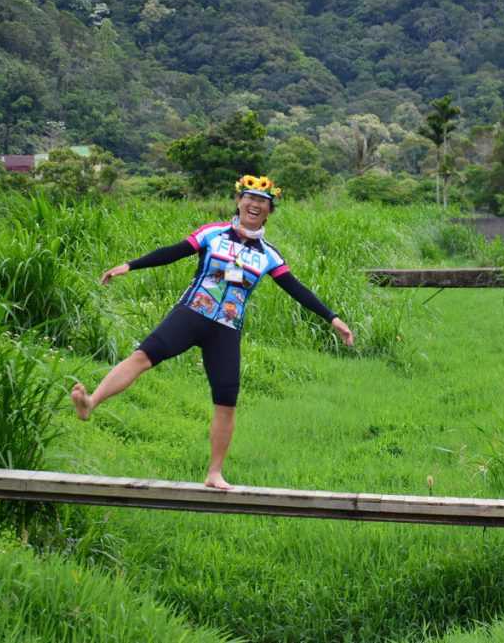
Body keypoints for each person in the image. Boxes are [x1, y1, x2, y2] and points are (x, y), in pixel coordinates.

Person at [70, 175, 354, 489]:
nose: (254, 204)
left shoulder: (269, 255)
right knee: (142, 357)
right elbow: (173, 251)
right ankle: (91, 402)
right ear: (239, 202)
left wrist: (333, 318)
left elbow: (296, 289)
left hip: (226, 329)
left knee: (226, 399)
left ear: (270, 210)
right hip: (191, 314)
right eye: (249, 198)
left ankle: (214, 473)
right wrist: (130, 265)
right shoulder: (213, 233)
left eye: (262, 201)